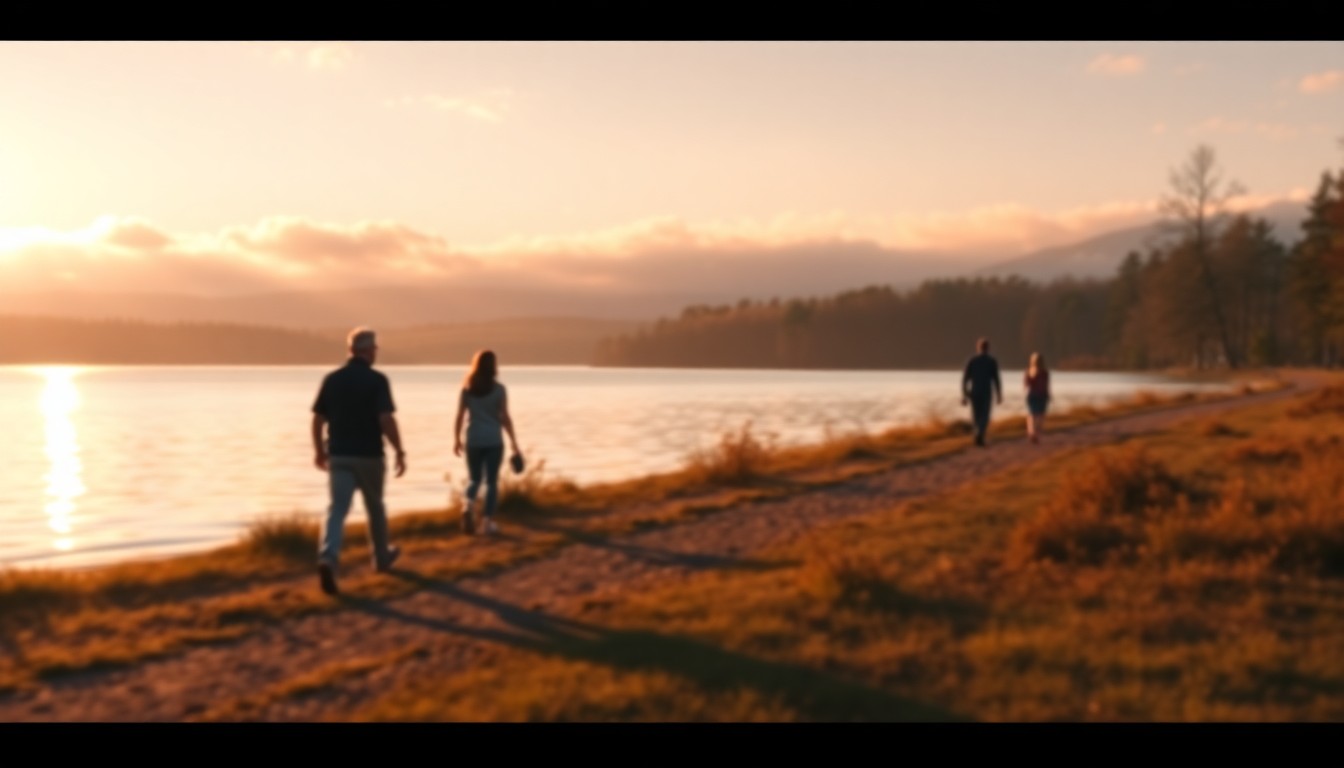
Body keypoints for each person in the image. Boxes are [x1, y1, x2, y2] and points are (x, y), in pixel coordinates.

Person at [311, 327, 406, 595]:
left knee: (337, 509)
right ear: (367, 351)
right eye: (375, 349)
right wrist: (400, 450)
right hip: (369, 455)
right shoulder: (377, 381)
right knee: (375, 507)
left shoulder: (332, 380)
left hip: (338, 454)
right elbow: (386, 420)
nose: (376, 353)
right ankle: (381, 558)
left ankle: (328, 557)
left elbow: (318, 419)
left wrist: (319, 451)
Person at [453, 349, 521, 536]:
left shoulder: (467, 389)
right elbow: (505, 417)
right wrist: (514, 442)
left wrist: (456, 439)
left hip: (473, 439)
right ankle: (487, 523)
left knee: (474, 479)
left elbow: (460, 416)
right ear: (493, 366)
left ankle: (467, 506)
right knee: (491, 482)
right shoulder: (499, 390)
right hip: (493, 440)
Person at [961, 337, 1002, 447]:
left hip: (974, 392)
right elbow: (996, 379)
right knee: (984, 415)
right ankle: (979, 434)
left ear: (978, 347)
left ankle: (977, 435)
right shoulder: (991, 361)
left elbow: (965, 379)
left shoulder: (972, 361)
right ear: (988, 348)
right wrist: (999, 394)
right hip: (986, 392)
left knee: (976, 415)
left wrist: (964, 394)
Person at [1024, 352, 1051, 444]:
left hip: (1031, 395)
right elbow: (1046, 386)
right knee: (1040, 416)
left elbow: (1025, 385)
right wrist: (1048, 395)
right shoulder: (1045, 373)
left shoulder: (1028, 371)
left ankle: (1031, 432)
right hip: (1042, 395)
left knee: (1031, 415)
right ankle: (1036, 433)